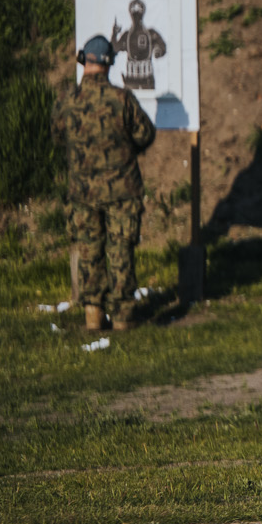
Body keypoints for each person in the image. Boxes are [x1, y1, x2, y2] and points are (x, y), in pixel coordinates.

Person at [51, 34, 157, 333]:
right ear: (109, 64)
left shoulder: (67, 100)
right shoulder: (122, 99)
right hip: (122, 190)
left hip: (82, 192)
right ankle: (123, 318)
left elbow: (57, 136)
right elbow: (145, 134)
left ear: (84, 61)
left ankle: (93, 316)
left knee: (89, 250)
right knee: (120, 251)